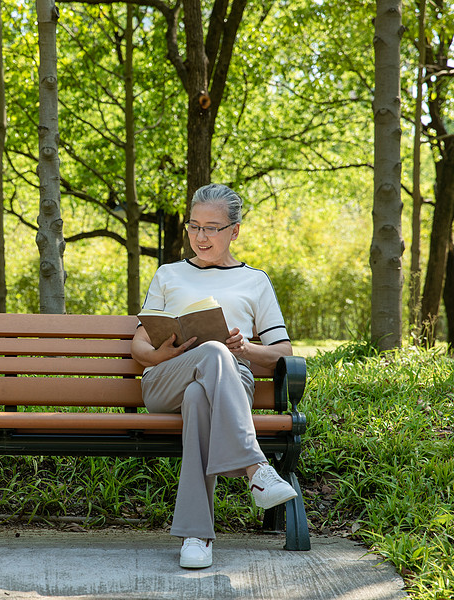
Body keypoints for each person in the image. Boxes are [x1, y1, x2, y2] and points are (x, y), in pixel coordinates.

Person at [130, 183, 298, 569]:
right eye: (194, 226)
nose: (200, 237)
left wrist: (246, 349)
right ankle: (256, 468)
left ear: (234, 231)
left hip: (229, 381)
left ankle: (196, 535)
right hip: (165, 380)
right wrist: (162, 352)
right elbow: (138, 347)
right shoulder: (168, 274)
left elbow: (283, 353)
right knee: (207, 358)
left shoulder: (255, 280)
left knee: (198, 397)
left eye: (212, 228)